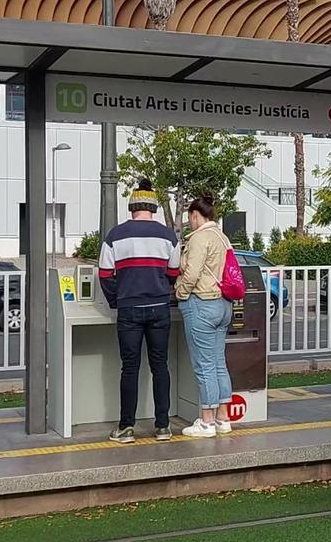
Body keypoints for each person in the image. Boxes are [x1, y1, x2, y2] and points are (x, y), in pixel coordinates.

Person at [99, 179, 180, 444]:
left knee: (130, 368)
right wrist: (160, 288)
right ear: (153, 207)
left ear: (132, 206)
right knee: (160, 366)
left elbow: (105, 274)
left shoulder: (115, 235)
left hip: (129, 309)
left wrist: (116, 299)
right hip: (159, 308)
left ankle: (126, 427)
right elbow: (173, 272)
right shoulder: (169, 236)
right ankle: (163, 426)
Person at [175, 196, 235, 439]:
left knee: (204, 365)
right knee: (219, 362)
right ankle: (223, 418)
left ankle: (207, 422)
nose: (190, 223)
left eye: (190, 218)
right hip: (223, 305)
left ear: (195, 215)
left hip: (202, 303)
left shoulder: (199, 238)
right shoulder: (222, 236)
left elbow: (192, 272)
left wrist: (180, 292)